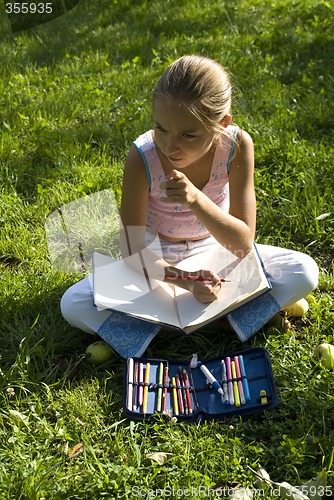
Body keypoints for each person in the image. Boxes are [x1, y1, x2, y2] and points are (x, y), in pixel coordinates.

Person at [60, 55, 319, 356]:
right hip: (156, 256)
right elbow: (132, 250)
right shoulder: (142, 156)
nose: (171, 146)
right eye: (162, 129)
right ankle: (221, 315)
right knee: (74, 303)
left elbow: (242, 242)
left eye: (188, 135)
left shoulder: (237, 146)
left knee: (304, 271)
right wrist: (185, 279)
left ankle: (166, 321)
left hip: (218, 247)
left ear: (221, 124)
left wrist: (195, 198)